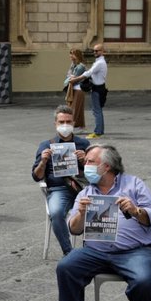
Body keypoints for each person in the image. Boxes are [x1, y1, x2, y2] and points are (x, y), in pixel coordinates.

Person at [46, 144, 151, 301]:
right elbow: (74, 229)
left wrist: (136, 211)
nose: (85, 165)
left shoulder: (134, 184)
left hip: (136, 251)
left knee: (144, 280)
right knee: (66, 267)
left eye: (90, 162)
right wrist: (81, 214)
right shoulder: (86, 193)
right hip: (95, 251)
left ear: (106, 166)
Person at [32, 105, 89, 256]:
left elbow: (98, 172)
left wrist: (85, 161)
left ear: (74, 123)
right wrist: (43, 162)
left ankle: (96, 253)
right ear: (55, 124)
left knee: (104, 209)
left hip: (83, 188)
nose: (65, 125)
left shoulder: (84, 144)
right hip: (59, 190)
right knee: (56, 213)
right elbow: (36, 176)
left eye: (68, 122)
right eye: (61, 122)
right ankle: (69, 253)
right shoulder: (46, 145)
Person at [69, 44, 107, 138]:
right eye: (94, 51)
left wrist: (76, 79)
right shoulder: (98, 62)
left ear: (102, 51)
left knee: (97, 111)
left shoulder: (100, 63)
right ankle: (99, 131)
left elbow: (88, 73)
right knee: (97, 110)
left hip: (98, 89)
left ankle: (98, 132)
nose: (95, 52)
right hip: (98, 88)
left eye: (97, 51)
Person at [64, 48, 87, 130]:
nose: (71, 56)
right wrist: (69, 77)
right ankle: (81, 125)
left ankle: (70, 125)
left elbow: (71, 79)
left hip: (79, 89)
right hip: (75, 88)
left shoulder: (80, 67)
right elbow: (68, 76)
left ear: (77, 55)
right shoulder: (74, 65)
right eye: (70, 54)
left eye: (72, 54)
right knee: (78, 108)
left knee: (74, 108)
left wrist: (69, 77)